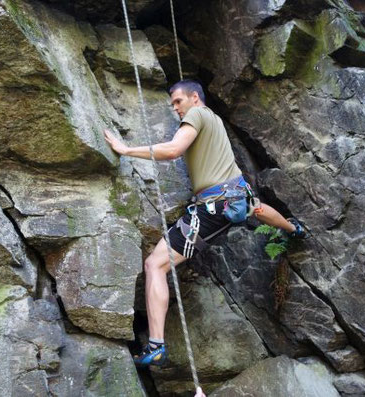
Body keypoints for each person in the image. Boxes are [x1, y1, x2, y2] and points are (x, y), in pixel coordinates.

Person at [104, 80, 304, 368]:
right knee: (255, 206)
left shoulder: (196, 115)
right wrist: (289, 227)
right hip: (235, 197)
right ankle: (294, 229)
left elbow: (174, 150)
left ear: (194, 98)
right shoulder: (215, 121)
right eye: (173, 104)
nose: (175, 109)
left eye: (177, 101)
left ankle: (157, 345)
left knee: (155, 265)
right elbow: (258, 209)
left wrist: (126, 150)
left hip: (211, 208)